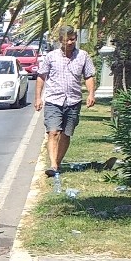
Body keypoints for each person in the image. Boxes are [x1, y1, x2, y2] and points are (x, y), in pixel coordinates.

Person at [33, 26, 97, 178]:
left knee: (66, 134)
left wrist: (91, 94)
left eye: (72, 39)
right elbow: (41, 76)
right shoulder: (51, 57)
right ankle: (53, 165)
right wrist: (38, 97)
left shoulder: (83, 56)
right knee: (53, 132)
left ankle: (58, 162)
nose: (70, 42)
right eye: (66, 40)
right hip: (54, 100)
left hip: (73, 101)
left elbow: (89, 76)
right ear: (60, 40)